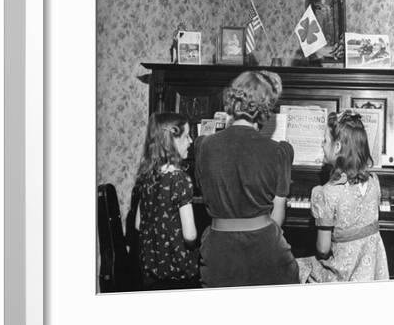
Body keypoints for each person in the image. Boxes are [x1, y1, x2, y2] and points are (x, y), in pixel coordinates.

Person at [194, 70, 299, 287]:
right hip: (266, 254)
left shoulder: (203, 146)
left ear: (233, 100)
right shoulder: (279, 151)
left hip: (218, 255)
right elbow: (277, 219)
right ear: (265, 108)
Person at [297, 110, 389, 283]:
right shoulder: (374, 182)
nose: (322, 145)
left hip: (342, 276)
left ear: (337, 147)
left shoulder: (327, 192)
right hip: (372, 275)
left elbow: (323, 249)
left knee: (298, 266)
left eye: (325, 140)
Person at [128, 112, 200, 290]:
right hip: (178, 273)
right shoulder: (180, 179)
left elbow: (138, 224)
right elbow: (190, 235)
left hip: (150, 271)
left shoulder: (146, 176)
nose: (191, 141)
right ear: (172, 141)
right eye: (186, 136)